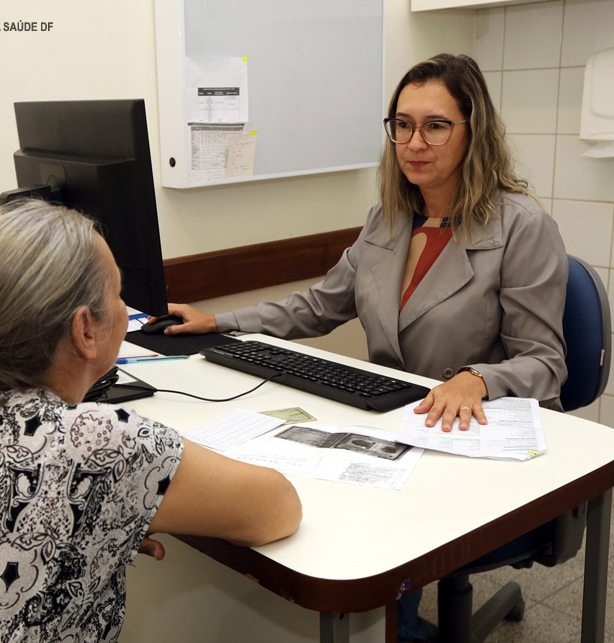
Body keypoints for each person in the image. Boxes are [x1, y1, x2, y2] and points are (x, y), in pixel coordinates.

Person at [157, 53, 568, 641]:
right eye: (402, 125)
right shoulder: (389, 218)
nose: (414, 142)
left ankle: (393, 626)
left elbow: (545, 362)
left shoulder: (522, 226)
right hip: (394, 425)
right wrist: (220, 321)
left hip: (467, 442)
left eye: (435, 125)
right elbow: (320, 305)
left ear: (473, 132)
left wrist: (478, 378)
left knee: (369, 540)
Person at [0, 200, 302, 642]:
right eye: (118, 295)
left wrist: (109, 513)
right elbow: (279, 508)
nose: (125, 309)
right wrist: (130, 485)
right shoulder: (99, 443)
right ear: (85, 330)